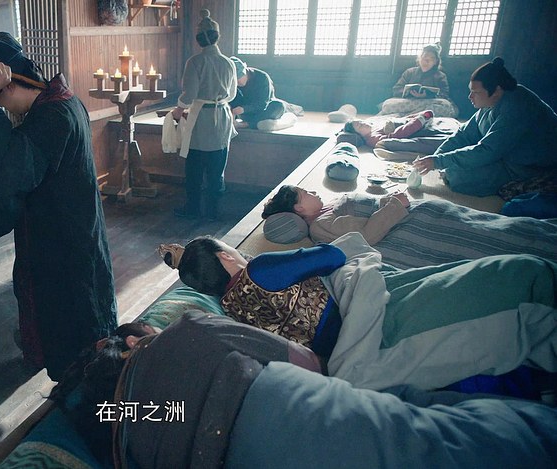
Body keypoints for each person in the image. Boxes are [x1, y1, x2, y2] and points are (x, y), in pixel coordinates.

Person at [50, 311, 557, 469]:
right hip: (280, 408)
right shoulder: (185, 334)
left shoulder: (124, 427)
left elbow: (178, 415)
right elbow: (309, 364)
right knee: (488, 441)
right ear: (131, 344)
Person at [159, 232, 557, 392]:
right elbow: (333, 255)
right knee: (514, 275)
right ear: (225, 257)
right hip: (363, 317)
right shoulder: (260, 270)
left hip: (334, 351)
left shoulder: (229, 310)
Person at [0, 32, 117, 380]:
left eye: (0, 98)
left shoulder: (51, 115)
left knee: (68, 308)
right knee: (79, 296)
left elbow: (9, 173)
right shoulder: (63, 100)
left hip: (61, 235)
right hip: (71, 224)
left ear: (8, 86)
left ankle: (78, 374)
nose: (4, 107)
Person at [261, 185, 557, 268]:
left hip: (419, 213)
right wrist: (395, 204)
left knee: (498, 226)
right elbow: (366, 236)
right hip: (418, 226)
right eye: (305, 194)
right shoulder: (320, 226)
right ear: (299, 209)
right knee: (494, 238)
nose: (313, 192)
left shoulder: (327, 209)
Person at [413, 57, 557, 197]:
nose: (470, 96)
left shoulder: (518, 105)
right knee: (452, 167)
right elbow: (464, 134)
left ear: (496, 91)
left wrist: (439, 162)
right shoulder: (491, 102)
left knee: (457, 176)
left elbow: (488, 150)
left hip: (526, 167)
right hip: (502, 157)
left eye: (475, 92)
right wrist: (437, 156)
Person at [170, 9, 237, 220]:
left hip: (201, 117)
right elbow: (232, 94)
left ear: (198, 39)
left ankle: (193, 208)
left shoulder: (195, 62)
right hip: (222, 115)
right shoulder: (228, 62)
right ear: (217, 36)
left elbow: (189, 94)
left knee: (195, 166)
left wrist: (179, 110)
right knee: (217, 167)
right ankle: (213, 211)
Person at [379, 43, 458, 118]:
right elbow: (396, 89)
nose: (426, 61)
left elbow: (444, 94)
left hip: (430, 103)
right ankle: (419, 115)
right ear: (420, 58)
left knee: (445, 106)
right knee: (388, 104)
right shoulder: (409, 72)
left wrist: (426, 95)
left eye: (431, 58)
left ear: (436, 62)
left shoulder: (440, 76)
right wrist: (410, 92)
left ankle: (406, 115)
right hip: (409, 102)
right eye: (424, 57)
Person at [228, 56, 304, 131]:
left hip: (263, 110)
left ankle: (245, 124)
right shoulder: (233, 84)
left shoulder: (262, 77)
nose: (236, 83)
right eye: (234, 81)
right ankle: (253, 123)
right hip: (246, 114)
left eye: (238, 79)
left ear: (245, 72)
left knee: (279, 106)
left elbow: (263, 103)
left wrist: (244, 109)